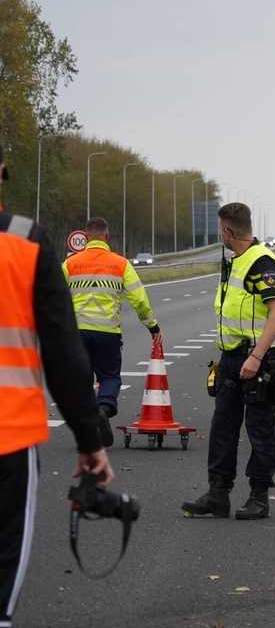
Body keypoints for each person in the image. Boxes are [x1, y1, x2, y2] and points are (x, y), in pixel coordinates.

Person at [0, 143, 114, 627]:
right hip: (6, 438)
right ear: (3, 171)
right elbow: (65, 358)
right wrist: (89, 440)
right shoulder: (25, 242)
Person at [182, 202, 275, 520]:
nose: (219, 236)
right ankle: (218, 493)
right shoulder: (235, 261)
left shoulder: (261, 262)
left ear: (227, 232)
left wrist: (256, 356)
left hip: (260, 359)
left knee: (259, 428)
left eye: (219, 231)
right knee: (222, 427)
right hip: (230, 358)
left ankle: (259, 497)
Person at [62, 217, 162, 447]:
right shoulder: (120, 263)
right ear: (107, 236)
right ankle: (104, 408)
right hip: (107, 332)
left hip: (76, 333)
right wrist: (152, 326)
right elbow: (139, 299)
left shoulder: (70, 264)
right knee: (109, 377)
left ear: (86, 238)